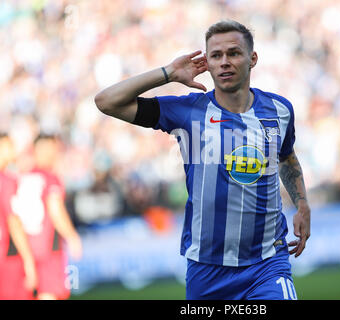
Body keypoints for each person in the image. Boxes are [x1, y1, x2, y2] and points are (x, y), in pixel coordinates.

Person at [95, 20, 311, 300]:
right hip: (207, 271)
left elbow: (286, 157)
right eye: (216, 56)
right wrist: (168, 73)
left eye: (233, 53)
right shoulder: (187, 111)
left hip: (267, 262)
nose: (224, 62)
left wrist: (303, 204)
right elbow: (106, 101)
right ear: (206, 63)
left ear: (252, 59)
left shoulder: (279, 110)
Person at [12, 134, 82, 300]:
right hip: (48, 246)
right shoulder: (49, 178)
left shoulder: (20, 177)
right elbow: (55, 209)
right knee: (48, 293)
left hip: (22, 246)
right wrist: (72, 236)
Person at [0, 133, 37, 300]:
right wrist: (29, 261)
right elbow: (13, 221)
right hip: (8, 254)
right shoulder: (6, 181)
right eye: (9, 146)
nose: (13, 151)